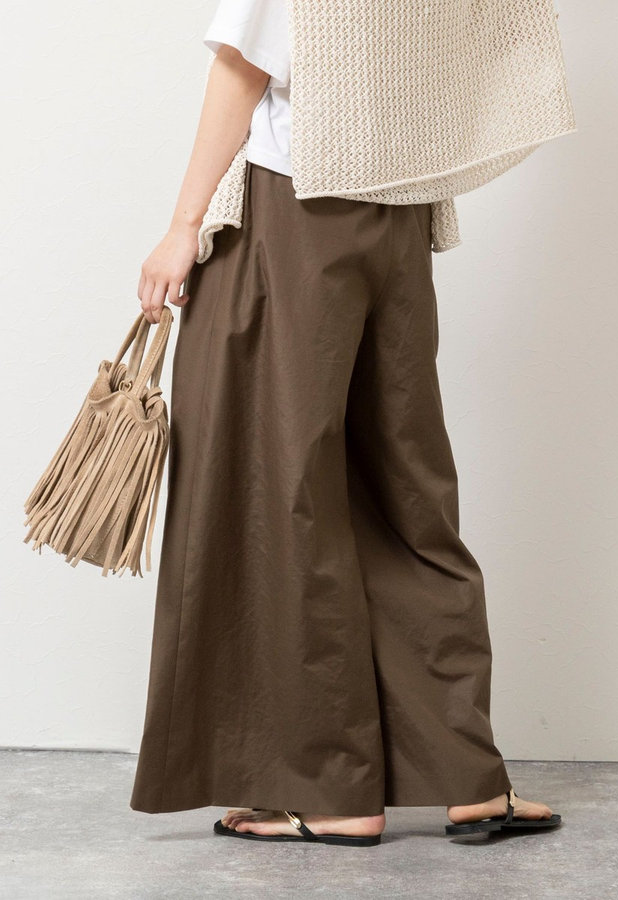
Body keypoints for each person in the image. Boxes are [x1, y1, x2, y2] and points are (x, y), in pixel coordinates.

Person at [129, 0, 565, 846]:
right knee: (406, 495)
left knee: (279, 490)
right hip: (399, 220)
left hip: (293, 213)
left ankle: (332, 791)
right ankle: (469, 779)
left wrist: (182, 227)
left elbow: (244, 66)